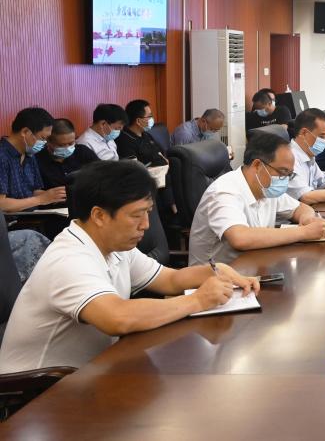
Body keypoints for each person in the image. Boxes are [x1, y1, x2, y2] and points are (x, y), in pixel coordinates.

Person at [0, 160, 259, 373]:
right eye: (136, 215)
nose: (146, 224)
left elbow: (169, 279)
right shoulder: (69, 259)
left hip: (91, 373)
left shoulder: (115, 247)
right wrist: (198, 300)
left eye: (148, 212)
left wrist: (217, 270)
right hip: (37, 393)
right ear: (99, 215)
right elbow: (117, 318)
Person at [188, 132, 325, 266]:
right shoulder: (224, 191)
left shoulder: (265, 187)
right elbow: (240, 238)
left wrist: (307, 219)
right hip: (214, 279)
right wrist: (304, 232)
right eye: (283, 171)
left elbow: (300, 208)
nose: (285, 179)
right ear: (257, 165)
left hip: (254, 268)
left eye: (289, 174)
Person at [0, 108, 64, 280]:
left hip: (30, 215)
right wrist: (41, 199)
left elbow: (35, 190)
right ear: (25, 132)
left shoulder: (29, 155)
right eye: (42, 138)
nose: (44, 143)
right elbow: (2, 204)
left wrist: (55, 196)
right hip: (9, 224)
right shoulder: (2, 156)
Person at [36, 118, 99, 201]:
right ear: (48, 142)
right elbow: (33, 191)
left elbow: (103, 174)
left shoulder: (83, 152)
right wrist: (47, 195)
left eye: (71, 143)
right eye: (61, 145)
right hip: (53, 205)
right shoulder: (37, 159)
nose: (67, 148)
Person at [115, 99, 168, 167]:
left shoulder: (146, 134)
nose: (152, 119)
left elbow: (160, 151)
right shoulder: (124, 141)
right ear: (138, 121)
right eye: (149, 116)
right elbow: (134, 167)